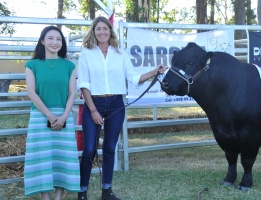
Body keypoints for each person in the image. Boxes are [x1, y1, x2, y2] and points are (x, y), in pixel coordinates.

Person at [77, 16, 167, 200]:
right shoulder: (86, 53)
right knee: (89, 150)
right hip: (94, 103)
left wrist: (153, 71)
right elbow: (83, 84)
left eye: (105, 28)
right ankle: (82, 191)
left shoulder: (121, 53)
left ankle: (107, 191)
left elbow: (134, 78)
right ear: (93, 31)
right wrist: (93, 110)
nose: (102, 32)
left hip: (116, 104)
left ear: (110, 31)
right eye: (98, 28)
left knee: (110, 148)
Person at [24, 26, 80, 200]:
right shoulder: (32, 65)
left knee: (61, 157)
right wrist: (49, 115)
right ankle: (45, 196)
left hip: (64, 117)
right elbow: (31, 92)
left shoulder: (70, 66)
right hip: (40, 117)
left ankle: (58, 196)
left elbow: (72, 93)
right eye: (50, 38)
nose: (55, 42)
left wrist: (64, 116)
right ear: (42, 41)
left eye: (58, 39)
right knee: (42, 157)